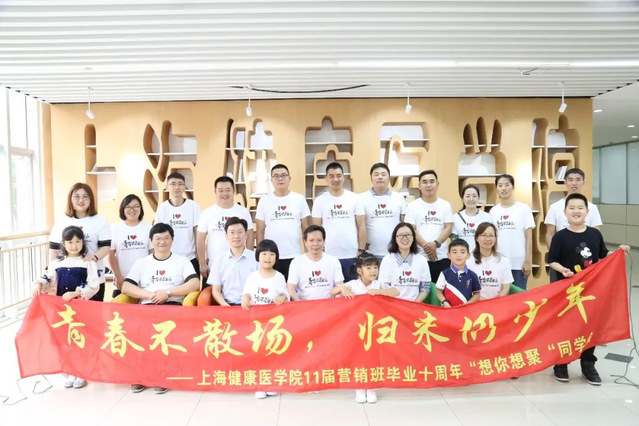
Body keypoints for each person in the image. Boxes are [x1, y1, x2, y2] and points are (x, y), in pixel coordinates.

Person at [548, 193, 630, 385]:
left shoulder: (594, 234)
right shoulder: (560, 236)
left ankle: (588, 364)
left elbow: (603, 255)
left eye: (580, 208)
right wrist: (563, 270)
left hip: (591, 292)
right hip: (567, 291)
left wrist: (619, 252)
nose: (576, 211)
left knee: (590, 326)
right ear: (565, 212)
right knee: (566, 326)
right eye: (572, 208)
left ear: (587, 211)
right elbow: (552, 260)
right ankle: (561, 363)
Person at [121, 222, 200, 395]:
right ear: (151, 241)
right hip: (147, 307)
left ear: (172, 240)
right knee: (138, 332)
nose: (162, 242)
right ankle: (140, 376)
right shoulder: (142, 263)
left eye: (166, 238)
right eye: (158, 238)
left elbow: (195, 283)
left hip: (172, 306)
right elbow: (126, 287)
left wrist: (169, 293)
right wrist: (149, 295)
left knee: (163, 334)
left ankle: (162, 376)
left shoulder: (182, 261)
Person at [32, 225, 99, 389]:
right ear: (64, 243)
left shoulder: (88, 263)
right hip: (62, 310)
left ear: (83, 242)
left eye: (78, 241)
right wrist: (39, 284)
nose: (74, 245)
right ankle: (69, 371)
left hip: (82, 308)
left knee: (80, 339)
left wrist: (76, 293)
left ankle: (81, 373)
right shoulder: (56, 263)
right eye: (70, 242)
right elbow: (48, 279)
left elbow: (94, 285)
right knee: (64, 339)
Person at [330, 252, 399, 405]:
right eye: (369, 267)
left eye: (375, 267)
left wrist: (380, 292)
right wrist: (342, 288)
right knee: (357, 358)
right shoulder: (353, 284)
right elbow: (333, 291)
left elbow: (396, 292)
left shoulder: (378, 284)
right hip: (356, 329)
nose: (373, 271)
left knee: (373, 358)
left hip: (374, 330)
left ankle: (372, 388)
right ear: (359, 270)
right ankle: (360, 387)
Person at [241, 239, 289, 399]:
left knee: (273, 353)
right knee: (258, 353)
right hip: (257, 323)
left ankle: (272, 383)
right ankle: (260, 385)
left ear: (276, 257)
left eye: (271, 254)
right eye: (264, 254)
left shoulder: (279, 277)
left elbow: (285, 295)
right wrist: (245, 299)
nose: (268, 257)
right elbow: (246, 294)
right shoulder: (252, 277)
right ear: (257, 256)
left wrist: (282, 297)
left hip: (274, 323)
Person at [49, 182, 111, 301]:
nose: (81, 200)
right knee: (67, 312)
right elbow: (54, 251)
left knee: (92, 312)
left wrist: (94, 257)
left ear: (91, 200)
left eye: (85, 197)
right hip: (65, 279)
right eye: (76, 196)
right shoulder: (62, 222)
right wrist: (52, 274)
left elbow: (106, 247)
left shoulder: (100, 221)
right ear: (70, 199)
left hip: (94, 280)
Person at [311, 162, 366, 281]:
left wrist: (361, 250)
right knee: (331, 289)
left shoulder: (355, 198)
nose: (335, 179)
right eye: (331, 176)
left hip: (351, 254)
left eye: (338, 176)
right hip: (328, 254)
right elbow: (315, 229)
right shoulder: (320, 201)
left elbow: (361, 226)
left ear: (343, 177)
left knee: (352, 289)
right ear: (326, 179)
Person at [255, 164, 310, 280]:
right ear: (271, 180)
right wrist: (261, 255)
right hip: (271, 256)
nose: (280, 178)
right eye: (276, 176)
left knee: (294, 287)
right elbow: (260, 231)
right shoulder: (264, 201)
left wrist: (308, 254)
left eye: (283, 175)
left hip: (294, 254)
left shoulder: (299, 199)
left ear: (289, 179)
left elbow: (306, 230)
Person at [197, 176, 254, 281]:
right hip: (213, 265)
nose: (224, 193)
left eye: (228, 190)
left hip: (238, 265)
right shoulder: (207, 212)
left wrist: (249, 259)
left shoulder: (243, 211)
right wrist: (202, 263)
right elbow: (200, 239)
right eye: (220, 190)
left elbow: (250, 235)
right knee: (212, 291)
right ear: (215, 192)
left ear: (233, 191)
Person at [405, 170, 453, 282]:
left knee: (440, 289)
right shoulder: (412, 206)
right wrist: (427, 248)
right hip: (419, 257)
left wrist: (435, 244)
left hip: (441, 257)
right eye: (425, 182)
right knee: (422, 289)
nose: (428, 185)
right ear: (419, 185)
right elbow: (411, 230)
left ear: (437, 184)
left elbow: (448, 228)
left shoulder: (445, 205)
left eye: (432, 181)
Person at [489, 174, 535, 290]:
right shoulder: (493, 211)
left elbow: (529, 236)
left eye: (507, 185)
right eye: (500, 185)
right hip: (498, 262)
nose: (503, 188)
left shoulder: (523, 209)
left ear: (513, 187)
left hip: (519, 264)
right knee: (500, 296)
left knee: (519, 297)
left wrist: (528, 261)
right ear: (496, 188)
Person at [154, 172, 201, 276]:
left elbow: (197, 232)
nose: (177, 187)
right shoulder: (163, 208)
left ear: (184, 187)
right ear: (167, 187)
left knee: (192, 286)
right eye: (173, 184)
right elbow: (158, 234)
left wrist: (200, 255)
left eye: (180, 184)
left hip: (190, 258)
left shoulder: (193, 206)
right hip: (168, 258)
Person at [544, 167, 603, 248]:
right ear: (565, 182)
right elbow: (549, 234)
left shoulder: (592, 208)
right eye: (570, 180)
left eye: (578, 180)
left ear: (583, 182)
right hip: (563, 250)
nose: (574, 183)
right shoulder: (554, 207)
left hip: (586, 251)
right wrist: (553, 253)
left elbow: (596, 234)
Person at [359, 163, 407, 259]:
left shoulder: (399, 198)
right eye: (376, 174)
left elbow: (405, 224)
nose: (380, 177)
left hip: (395, 252)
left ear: (389, 178)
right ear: (371, 178)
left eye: (383, 174)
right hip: (370, 253)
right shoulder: (361, 198)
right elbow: (359, 226)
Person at [108, 194, 151, 298]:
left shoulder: (148, 228)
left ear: (141, 208)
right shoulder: (114, 229)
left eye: (136, 206)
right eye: (128, 206)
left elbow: (152, 254)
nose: (132, 210)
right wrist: (118, 276)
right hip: (122, 279)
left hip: (144, 280)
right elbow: (110, 255)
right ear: (123, 209)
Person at [207, 217, 257, 306]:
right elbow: (216, 291)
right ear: (226, 236)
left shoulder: (256, 259)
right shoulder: (219, 260)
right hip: (227, 305)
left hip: (251, 306)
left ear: (246, 235)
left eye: (240, 232)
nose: (236, 236)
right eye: (232, 232)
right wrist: (226, 306)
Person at [287, 225, 344, 301]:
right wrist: (299, 304)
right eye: (311, 240)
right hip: (304, 305)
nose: (315, 244)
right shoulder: (296, 262)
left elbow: (340, 286)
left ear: (324, 241)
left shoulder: (334, 261)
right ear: (305, 242)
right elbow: (290, 288)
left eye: (319, 240)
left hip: (328, 305)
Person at [378, 222, 431, 302]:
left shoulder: (422, 260)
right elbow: (384, 287)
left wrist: (414, 304)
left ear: (413, 237)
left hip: (414, 304)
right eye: (400, 235)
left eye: (408, 235)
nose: (405, 238)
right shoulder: (387, 260)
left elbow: (425, 287)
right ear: (395, 239)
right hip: (393, 304)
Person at [467, 222, 513, 301]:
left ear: (495, 238)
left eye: (491, 235)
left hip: (497, 304)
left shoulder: (504, 261)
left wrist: (494, 304)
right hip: (474, 303)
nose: (488, 239)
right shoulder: (468, 260)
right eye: (484, 235)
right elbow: (466, 287)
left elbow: (505, 289)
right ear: (477, 238)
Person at [436, 239, 481, 307]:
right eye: (454, 252)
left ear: (468, 255)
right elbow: (439, 292)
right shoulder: (444, 274)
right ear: (449, 255)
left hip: (466, 310)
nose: (458, 255)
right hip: (448, 310)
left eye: (462, 252)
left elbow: (477, 294)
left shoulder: (472, 275)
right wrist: (444, 302)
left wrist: (468, 304)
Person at [451, 184, 491, 253]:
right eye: (467, 196)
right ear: (462, 199)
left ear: (478, 198)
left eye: (474, 196)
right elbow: (454, 241)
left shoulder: (487, 217)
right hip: (462, 256)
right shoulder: (456, 217)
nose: (471, 199)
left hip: (482, 256)